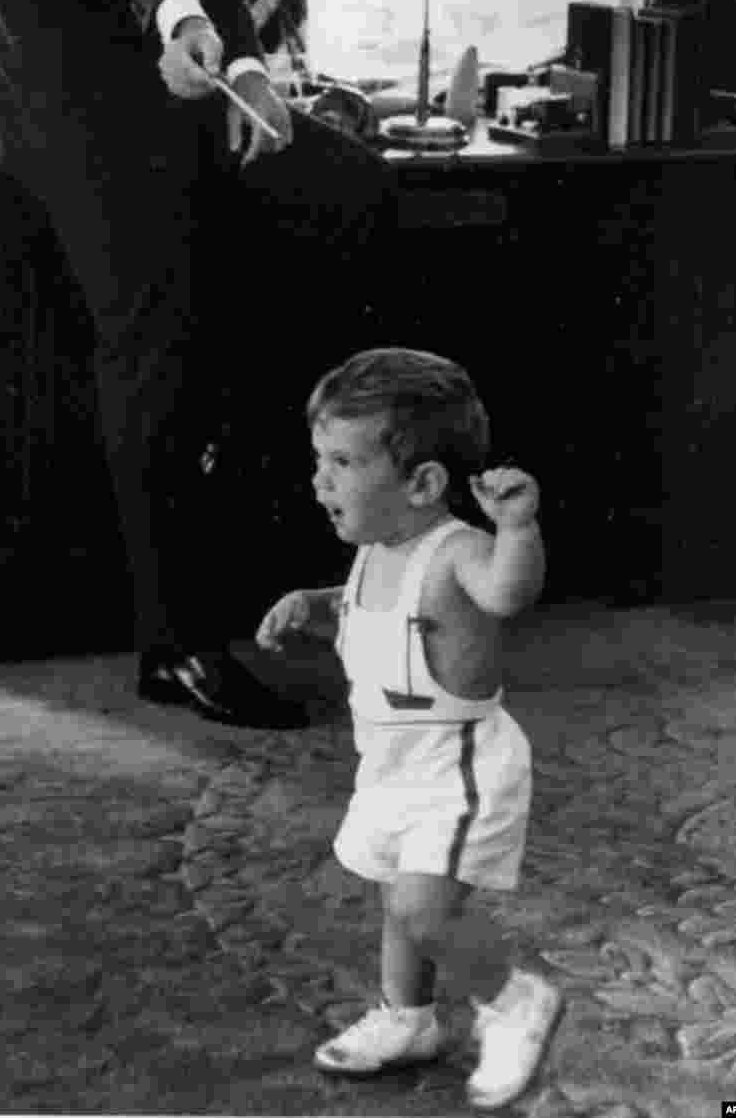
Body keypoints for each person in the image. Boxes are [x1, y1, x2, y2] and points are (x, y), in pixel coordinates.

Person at [0, 0, 399, 727]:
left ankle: (276, 508)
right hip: (59, 97)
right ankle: (172, 642)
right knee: (154, 329)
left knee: (349, 186)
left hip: (175, 73)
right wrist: (177, 20)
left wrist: (253, 73)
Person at [255, 348, 563, 1109]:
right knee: (398, 902)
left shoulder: (459, 551)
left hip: (457, 765)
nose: (321, 479)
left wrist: (518, 528)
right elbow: (375, 605)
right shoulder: (374, 550)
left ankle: (516, 1000)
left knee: (425, 910)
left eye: (342, 462)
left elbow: (506, 592)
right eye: (319, 458)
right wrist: (318, 601)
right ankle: (408, 1018)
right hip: (390, 763)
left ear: (423, 485)